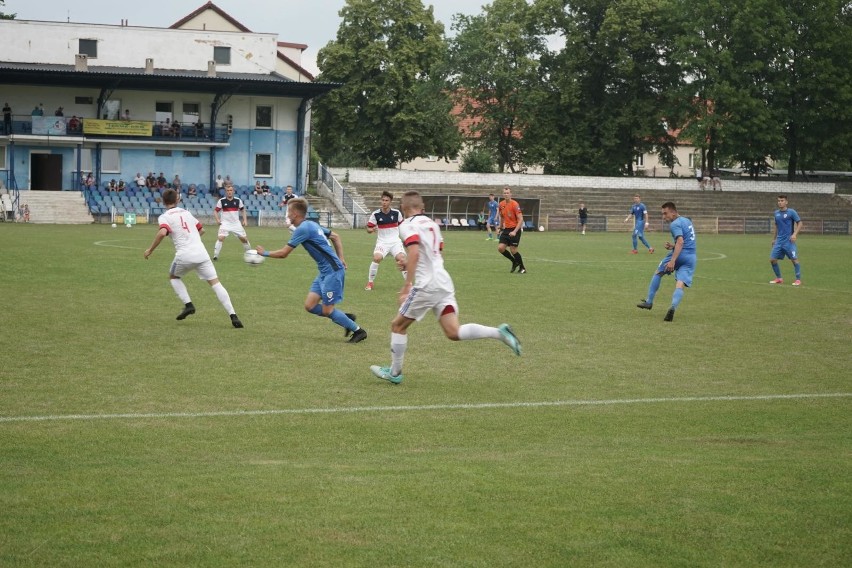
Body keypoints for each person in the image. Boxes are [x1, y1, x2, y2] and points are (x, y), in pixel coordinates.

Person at [369, 190, 521, 384]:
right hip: (443, 281)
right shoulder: (433, 224)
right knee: (453, 332)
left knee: (397, 326)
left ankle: (395, 372)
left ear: (404, 208)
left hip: (426, 285)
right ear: (422, 207)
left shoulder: (407, 225)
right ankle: (499, 333)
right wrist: (408, 263)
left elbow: (415, 251)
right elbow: (435, 251)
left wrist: (407, 284)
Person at [255, 198, 366, 343]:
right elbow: (335, 237)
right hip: (324, 272)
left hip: (333, 272)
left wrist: (264, 253)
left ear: (295, 213)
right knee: (310, 305)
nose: (287, 215)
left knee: (327, 311)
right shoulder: (311, 224)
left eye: (288, 212)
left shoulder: (303, 228)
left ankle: (359, 331)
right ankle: (344, 318)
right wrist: (341, 258)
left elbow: (284, 253)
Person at [143, 188, 243, 328]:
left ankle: (188, 305)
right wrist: (192, 238)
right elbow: (202, 230)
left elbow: (162, 233)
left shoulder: (165, 217)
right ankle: (233, 316)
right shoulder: (187, 213)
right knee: (216, 283)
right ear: (177, 199)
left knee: (174, 277)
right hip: (202, 254)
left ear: (164, 201)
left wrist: (150, 250)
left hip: (184, 255)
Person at [636, 202, 696, 322]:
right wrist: (673, 246)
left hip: (679, 255)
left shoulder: (675, 224)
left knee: (658, 272)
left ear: (673, 212)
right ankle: (673, 307)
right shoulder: (687, 221)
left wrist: (673, 260)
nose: (664, 217)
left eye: (665, 213)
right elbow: (686, 241)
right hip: (691, 257)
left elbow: (680, 242)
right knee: (680, 283)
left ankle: (649, 301)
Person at [364, 190, 406, 291]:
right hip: (382, 242)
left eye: (386, 200)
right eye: (383, 200)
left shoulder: (397, 213)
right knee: (377, 258)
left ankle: (408, 285)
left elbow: (403, 226)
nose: (384, 202)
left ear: (390, 201)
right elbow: (368, 229)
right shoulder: (376, 214)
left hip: (395, 241)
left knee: (401, 259)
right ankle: (370, 282)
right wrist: (372, 229)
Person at [769, 195, 802, 286]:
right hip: (779, 241)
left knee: (794, 260)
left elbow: (800, 223)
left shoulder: (791, 212)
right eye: (779, 201)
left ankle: (798, 280)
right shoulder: (776, 213)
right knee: (772, 260)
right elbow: (776, 226)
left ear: (786, 202)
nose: (780, 202)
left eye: (782, 200)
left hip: (788, 241)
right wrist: (774, 239)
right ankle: (779, 278)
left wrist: (794, 234)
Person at [212, 184, 251, 260]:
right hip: (225, 223)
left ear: (233, 191)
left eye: (231, 190)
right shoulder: (221, 201)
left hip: (236, 223)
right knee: (221, 238)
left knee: (244, 239)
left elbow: (243, 210)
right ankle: (215, 256)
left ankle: (249, 254)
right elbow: (215, 211)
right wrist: (217, 220)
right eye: (227, 191)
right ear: (225, 192)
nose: (229, 192)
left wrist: (245, 220)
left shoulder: (238, 200)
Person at [497, 186, 526, 273]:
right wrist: (500, 226)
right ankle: (514, 262)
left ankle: (523, 268)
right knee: (500, 248)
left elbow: (521, 219)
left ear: (510, 194)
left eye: (508, 193)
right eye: (504, 193)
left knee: (513, 250)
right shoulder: (501, 204)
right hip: (506, 229)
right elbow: (502, 216)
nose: (506, 194)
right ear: (503, 194)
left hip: (515, 229)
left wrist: (514, 231)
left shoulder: (515, 204)